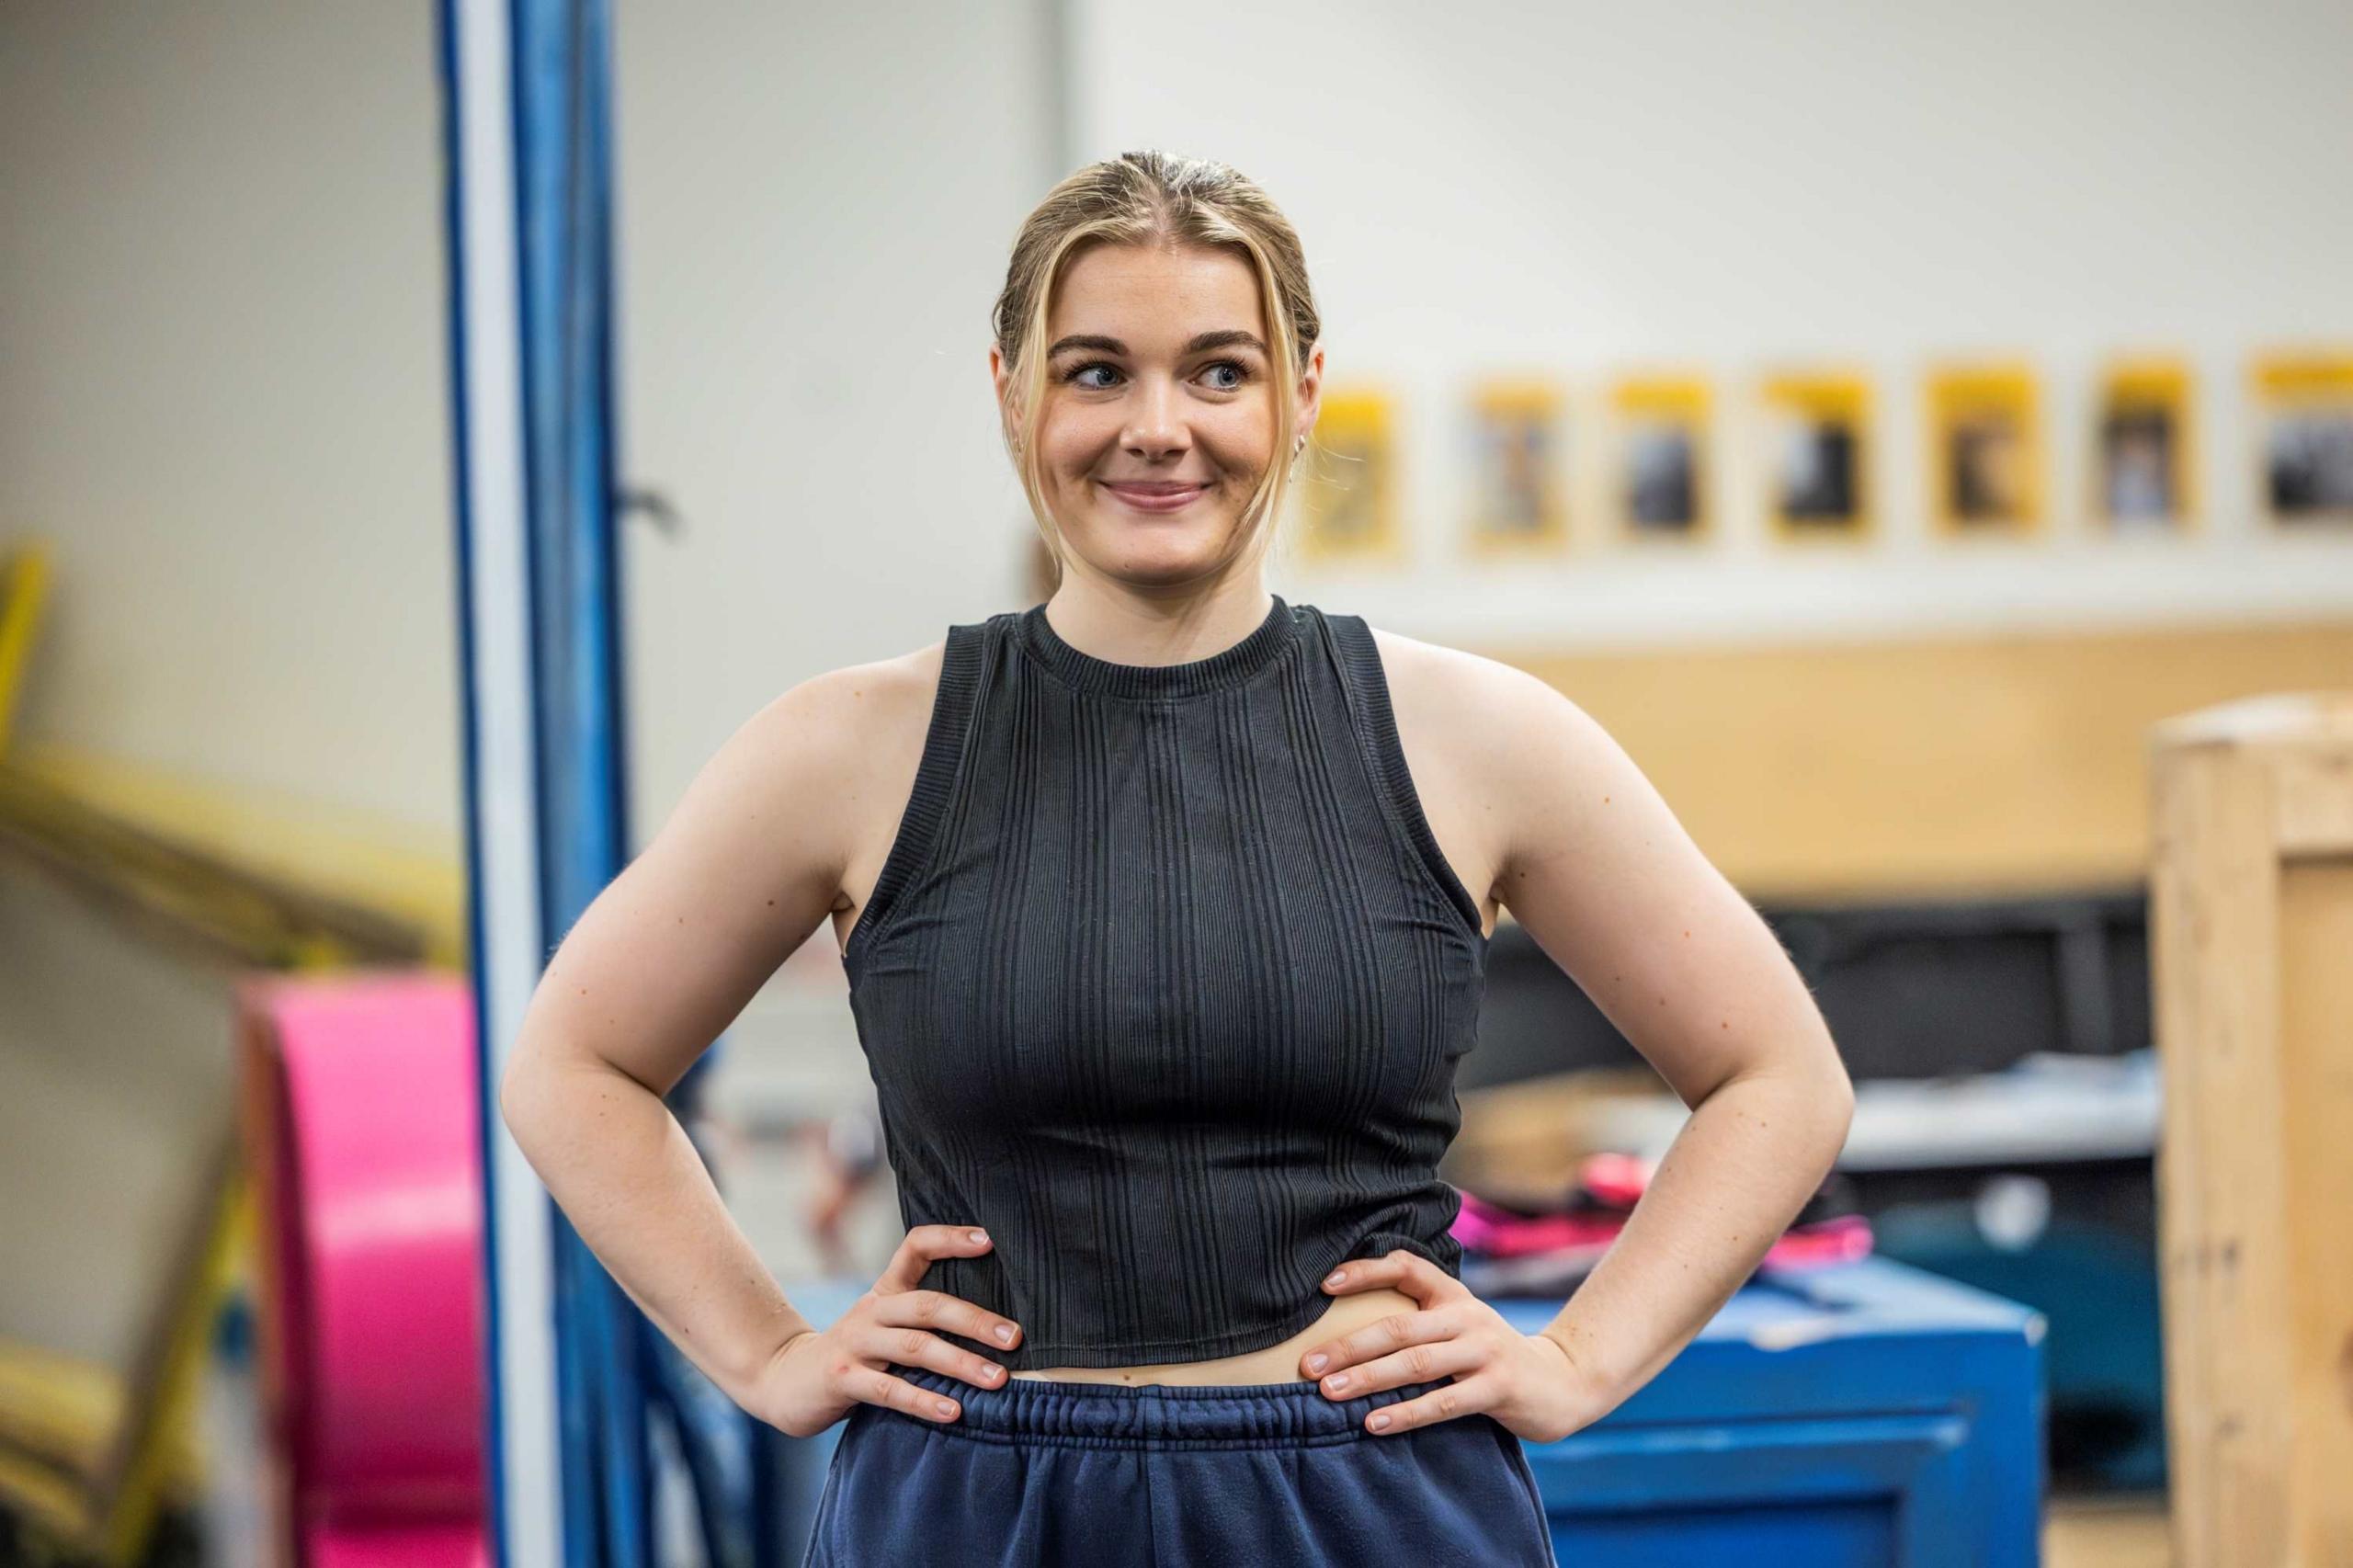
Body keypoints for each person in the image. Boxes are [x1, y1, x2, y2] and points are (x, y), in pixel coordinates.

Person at [499, 150, 1856, 1566]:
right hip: (978, 1502)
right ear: (1013, 393)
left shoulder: (1475, 735)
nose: (1158, 427)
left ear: (1302, 393)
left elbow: (1777, 1076)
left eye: (1218, 371)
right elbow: (574, 1066)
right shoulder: (849, 747)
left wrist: (1577, 1360)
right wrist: (769, 1348)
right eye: (1095, 372)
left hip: (1363, 1501)